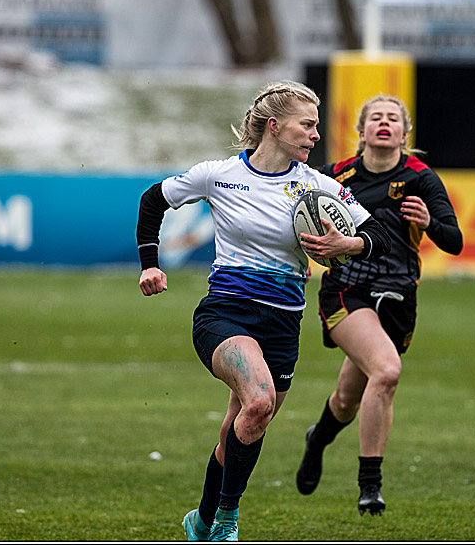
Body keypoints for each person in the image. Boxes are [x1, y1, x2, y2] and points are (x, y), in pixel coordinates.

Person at [136, 80, 392, 541]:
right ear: (274, 126)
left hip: (282, 324)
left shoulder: (317, 186)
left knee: (242, 427)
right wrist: (149, 265)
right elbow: (153, 199)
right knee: (258, 403)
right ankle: (226, 521)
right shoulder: (219, 175)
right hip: (226, 314)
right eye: (308, 125)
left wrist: (345, 243)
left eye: (316, 126)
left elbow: (380, 237)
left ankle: (201, 517)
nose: (316, 135)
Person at [293, 94, 463, 516]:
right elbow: (290, 210)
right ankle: (370, 485)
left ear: (405, 133)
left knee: (350, 397)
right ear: (361, 131)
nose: (384, 124)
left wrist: (430, 222)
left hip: (399, 297)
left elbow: (454, 241)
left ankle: (318, 439)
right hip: (346, 291)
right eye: (376, 118)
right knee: (386, 373)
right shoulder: (335, 176)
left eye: (393, 119)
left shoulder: (422, 179)